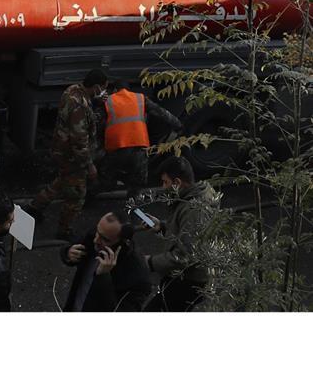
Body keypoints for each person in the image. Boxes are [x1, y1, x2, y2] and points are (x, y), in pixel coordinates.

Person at [25, 68, 108, 240]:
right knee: (76, 195)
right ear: (96, 87)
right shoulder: (79, 106)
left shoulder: (72, 91)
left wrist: (96, 103)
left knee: (62, 180)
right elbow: (79, 141)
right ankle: (64, 230)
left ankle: (35, 206)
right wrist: (90, 166)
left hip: (61, 151)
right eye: (103, 88)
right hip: (73, 157)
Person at [142, 155, 219, 312]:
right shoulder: (192, 197)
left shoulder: (194, 209)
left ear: (177, 182)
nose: (163, 187)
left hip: (189, 281)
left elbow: (186, 255)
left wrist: (149, 262)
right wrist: (162, 227)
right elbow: (187, 233)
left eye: (165, 182)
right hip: (187, 278)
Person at [96, 82, 182, 200]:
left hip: (116, 149)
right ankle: (132, 205)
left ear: (114, 89)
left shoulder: (108, 101)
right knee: (137, 183)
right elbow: (161, 112)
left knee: (105, 177)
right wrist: (177, 124)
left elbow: (96, 123)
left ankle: (92, 195)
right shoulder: (140, 98)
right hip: (139, 148)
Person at [60, 212, 152, 311]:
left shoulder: (138, 276)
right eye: (97, 232)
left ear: (123, 242)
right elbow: (73, 248)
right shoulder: (98, 235)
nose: (96, 240)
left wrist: (103, 277)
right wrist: (68, 252)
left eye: (105, 240)